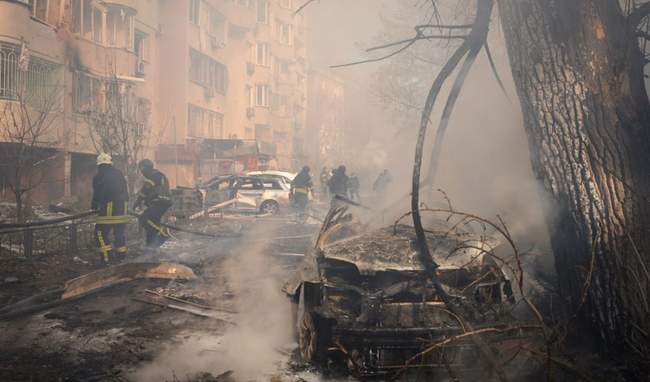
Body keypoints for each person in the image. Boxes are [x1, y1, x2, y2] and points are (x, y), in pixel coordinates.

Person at [91, 153, 129, 265]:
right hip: (123, 208)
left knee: (99, 233)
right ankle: (121, 258)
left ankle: (106, 259)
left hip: (109, 209)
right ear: (110, 163)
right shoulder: (119, 173)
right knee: (119, 233)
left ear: (99, 165)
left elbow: (97, 194)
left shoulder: (99, 176)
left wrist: (93, 205)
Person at [134, 159, 173, 248]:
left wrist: (138, 201)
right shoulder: (158, 174)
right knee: (152, 224)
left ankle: (163, 234)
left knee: (144, 219)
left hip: (159, 202)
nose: (142, 172)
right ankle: (151, 247)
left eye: (142, 169)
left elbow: (145, 190)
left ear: (145, 168)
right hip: (162, 202)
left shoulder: (152, 176)